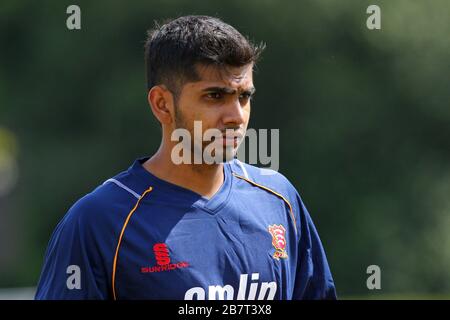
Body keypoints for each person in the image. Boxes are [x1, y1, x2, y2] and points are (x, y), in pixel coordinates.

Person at [35, 15, 337, 300]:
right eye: (215, 96)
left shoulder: (278, 198)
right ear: (162, 104)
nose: (236, 116)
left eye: (244, 97)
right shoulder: (98, 222)